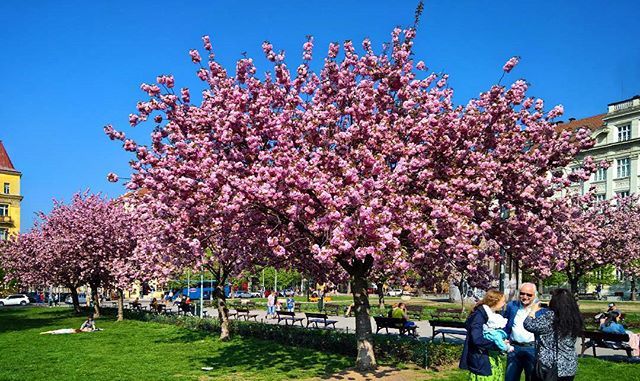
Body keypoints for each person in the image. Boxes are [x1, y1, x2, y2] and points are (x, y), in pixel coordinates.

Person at [524, 288, 582, 381]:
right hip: (569, 365)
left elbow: (528, 324)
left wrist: (532, 311)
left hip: (550, 366)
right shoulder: (575, 317)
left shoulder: (550, 317)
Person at [459, 289, 508, 380]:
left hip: (491, 357)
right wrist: (497, 345)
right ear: (495, 301)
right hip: (482, 358)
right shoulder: (479, 315)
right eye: (503, 301)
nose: (504, 304)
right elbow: (477, 339)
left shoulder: (492, 315)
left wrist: (501, 341)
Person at [504, 282, 539, 381]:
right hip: (514, 348)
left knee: (532, 378)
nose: (525, 297)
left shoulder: (539, 309)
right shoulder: (512, 306)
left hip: (532, 348)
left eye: (529, 295)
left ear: (534, 295)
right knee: (510, 378)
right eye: (522, 293)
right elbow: (505, 324)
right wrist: (504, 338)